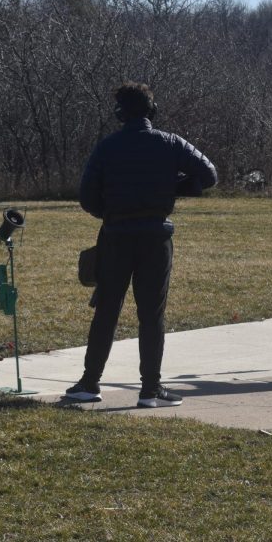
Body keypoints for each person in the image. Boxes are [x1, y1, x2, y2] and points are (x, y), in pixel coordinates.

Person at [65, 82, 217, 407]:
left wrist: (110, 213)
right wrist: (173, 187)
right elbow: (208, 174)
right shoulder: (171, 143)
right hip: (156, 237)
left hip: (116, 236)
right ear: (152, 110)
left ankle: (89, 383)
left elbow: (87, 196)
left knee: (106, 310)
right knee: (152, 314)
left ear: (120, 114)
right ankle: (150, 389)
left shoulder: (107, 147)